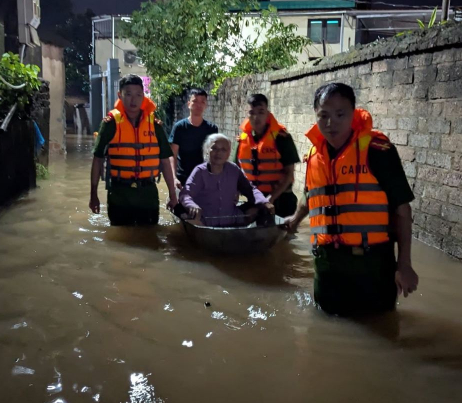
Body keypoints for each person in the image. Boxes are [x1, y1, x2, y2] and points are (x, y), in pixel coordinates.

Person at [283, 83, 419, 316]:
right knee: (324, 326)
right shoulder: (314, 156)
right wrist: (293, 223)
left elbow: (402, 210)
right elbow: (311, 197)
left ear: (353, 113)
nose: (330, 122)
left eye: (340, 114)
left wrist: (404, 264)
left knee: (380, 327)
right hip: (326, 265)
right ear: (315, 116)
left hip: (372, 266)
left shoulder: (378, 151)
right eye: (323, 115)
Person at [89, 75, 178, 226]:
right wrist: (93, 195)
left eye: (138, 95)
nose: (133, 100)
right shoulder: (110, 124)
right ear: (120, 95)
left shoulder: (154, 125)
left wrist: (172, 194)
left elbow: (165, 161)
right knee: (120, 239)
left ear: (143, 97)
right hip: (119, 193)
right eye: (128, 94)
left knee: (150, 236)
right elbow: (97, 159)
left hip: (147, 192)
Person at [179, 133, 274, 227]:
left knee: (259, 208)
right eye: (214, 148)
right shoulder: (200, 172)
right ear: (208, 150)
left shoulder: (233, 169)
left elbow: (250, 189)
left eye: (223, 150)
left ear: (228, 153)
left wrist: (264, 201)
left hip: (232, 218)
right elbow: (185, 194)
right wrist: (192, 206)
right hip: (205, 221)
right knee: (185, 214)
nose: (218, 153)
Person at [234, 94, 300, 218]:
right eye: (251, 113)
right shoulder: (242, 140)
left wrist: (270, 198)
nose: (256, 117)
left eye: (261, 112)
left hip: (281, 200)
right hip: (254, 199)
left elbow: (289, 173)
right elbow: (234, 171)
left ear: (267, 113)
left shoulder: (282, 138)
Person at [169, 88, 219, 190]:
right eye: (195, 101)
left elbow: (215, 156)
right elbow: (172, 155)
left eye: (202, 102)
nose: (198, 105)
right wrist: (173, 178)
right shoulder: (180, 127)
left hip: (204, 179)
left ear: (206, 105)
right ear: (188, 104)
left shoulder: (211, 129)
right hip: (182, 179)